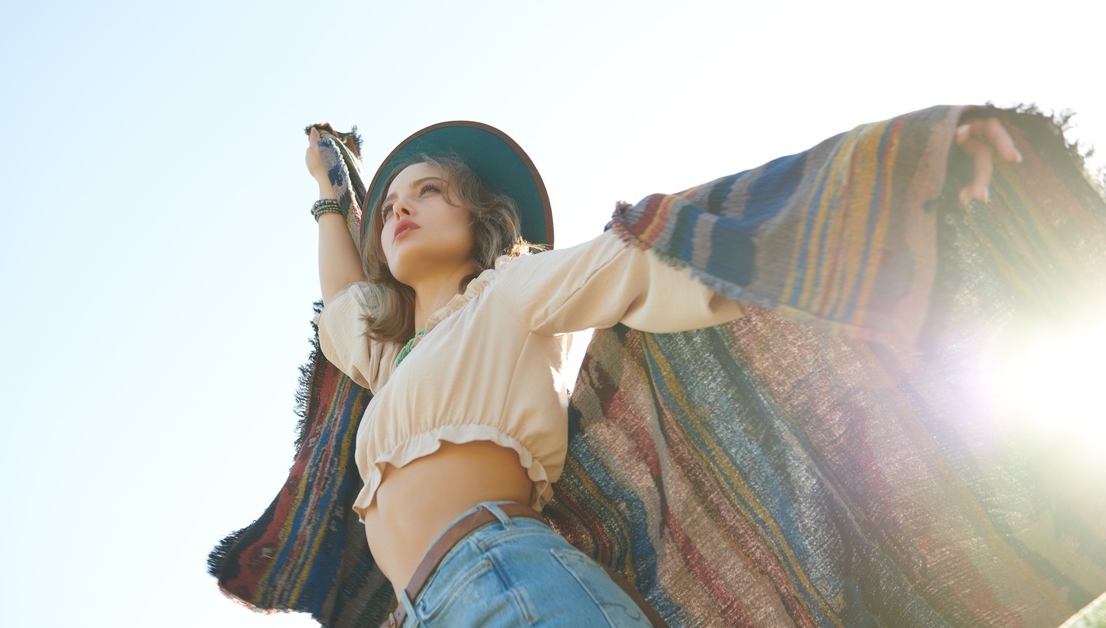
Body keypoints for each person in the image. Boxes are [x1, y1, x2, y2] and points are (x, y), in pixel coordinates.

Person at [303, 118, 1022, 627]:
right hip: (421, 612)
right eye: (391, 202)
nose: (400, 207)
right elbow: (341, 308)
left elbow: (658, 251)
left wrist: (898, 168)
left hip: (506, 580)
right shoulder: (393, 365)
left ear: (482, 217)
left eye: (427, 191)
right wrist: (331, 194)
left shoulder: (510, 293)